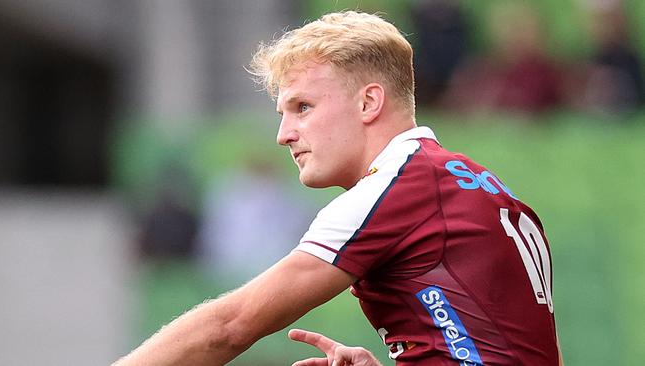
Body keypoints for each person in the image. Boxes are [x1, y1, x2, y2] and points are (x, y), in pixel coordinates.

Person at [113, 11, 562, 365]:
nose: (284, 134)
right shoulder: (471, 181)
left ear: (368, 101)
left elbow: (230, 326)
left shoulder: (396, 189)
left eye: (302, 107)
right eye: (282, 114)